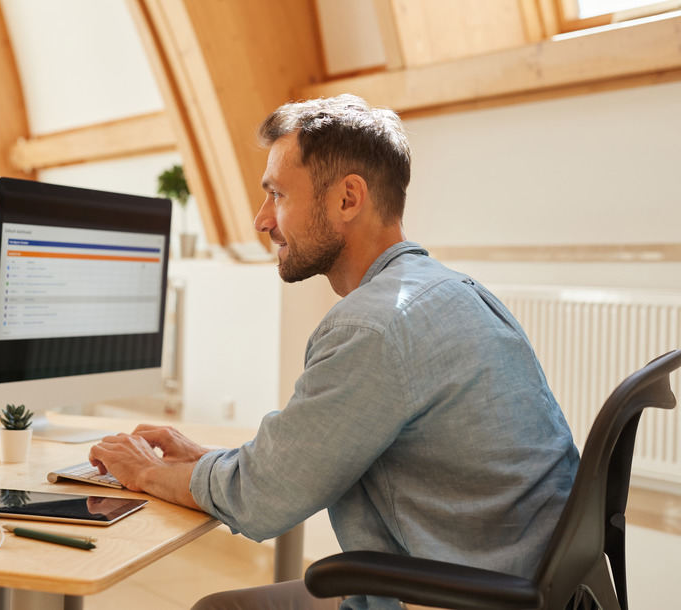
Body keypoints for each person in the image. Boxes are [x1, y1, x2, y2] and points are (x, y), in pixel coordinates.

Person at [89, 94, 579, 610]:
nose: (261, 220)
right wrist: (202, 458)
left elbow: (262, 498)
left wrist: (143, 471)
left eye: (277, 194)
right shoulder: (454, 291)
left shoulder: (373, 326)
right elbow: (292, 465)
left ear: (348, 199)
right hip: (521, 586)